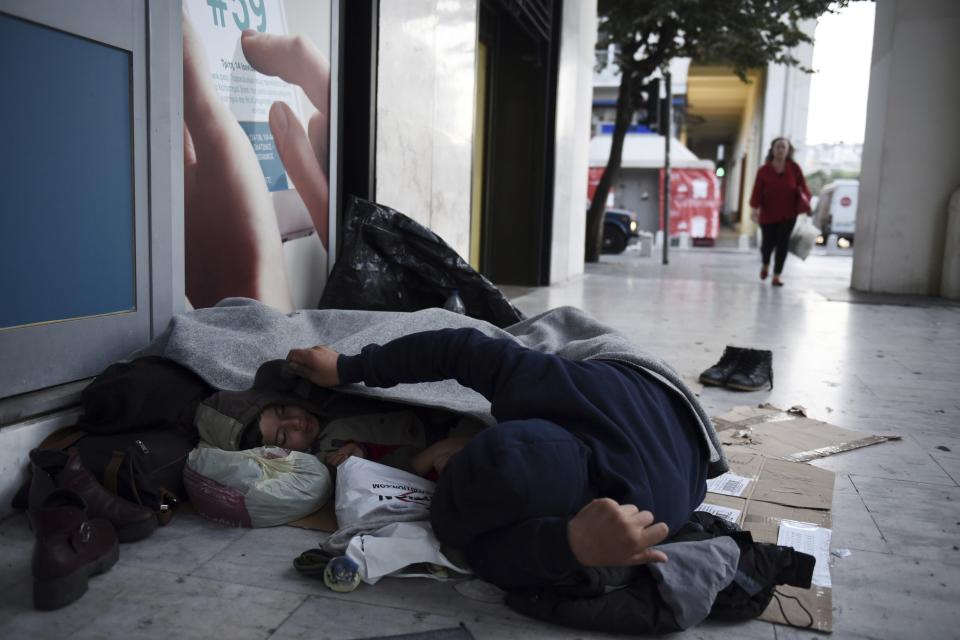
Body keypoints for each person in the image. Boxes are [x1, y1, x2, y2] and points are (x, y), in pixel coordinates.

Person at [286, 328, 711, 590]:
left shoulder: (641, 515)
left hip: (674, 402)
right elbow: (455, 348)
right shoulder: (545, 382)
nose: (440, 468)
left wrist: (571, 546)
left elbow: (490, 559)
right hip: (613, 370)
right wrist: (346, 366)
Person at [749, 137, 811, 286]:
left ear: (788, 150)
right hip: (768, 214)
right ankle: (765, 264)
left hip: (788, 214)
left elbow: (803, 188)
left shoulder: (794, 168)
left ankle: (776, 275)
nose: (781, 150)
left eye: (784, 147)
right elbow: (757, 191)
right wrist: (754, 209)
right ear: (772, 149)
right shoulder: (764, 170)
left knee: (782, 245)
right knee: (767, 244)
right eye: (778, 147)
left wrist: (806, 206)